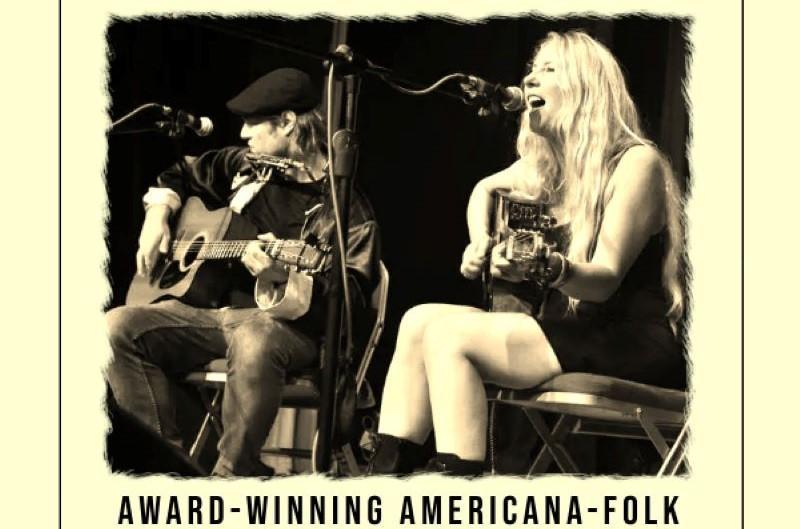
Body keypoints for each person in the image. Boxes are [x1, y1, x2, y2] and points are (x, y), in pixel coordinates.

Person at [369, 30, 686, 476]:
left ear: (585, 87)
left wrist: (550, 268)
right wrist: (480, 241)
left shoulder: (636, 163)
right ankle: (385, 476)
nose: (530, 80)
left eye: (549, 70)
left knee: (451, 336)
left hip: (628, 338)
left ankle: (461, 485)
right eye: (532, 70)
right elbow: (485, 189)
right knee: (419, 320)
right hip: (576, 330)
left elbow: (604, 280)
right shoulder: (548, 167)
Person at [106, 68, 381, 477]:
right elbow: (181, 172)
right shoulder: (246, 166)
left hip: (288, 331)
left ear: (287, 122)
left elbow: (351, 304)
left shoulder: (345, 209)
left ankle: (233, 476)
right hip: (210, 316)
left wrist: (284, 279)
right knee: (116, 328)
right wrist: (158, 214)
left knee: (254, 336)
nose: (243, 133)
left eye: (253, 122)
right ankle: (164, 470)